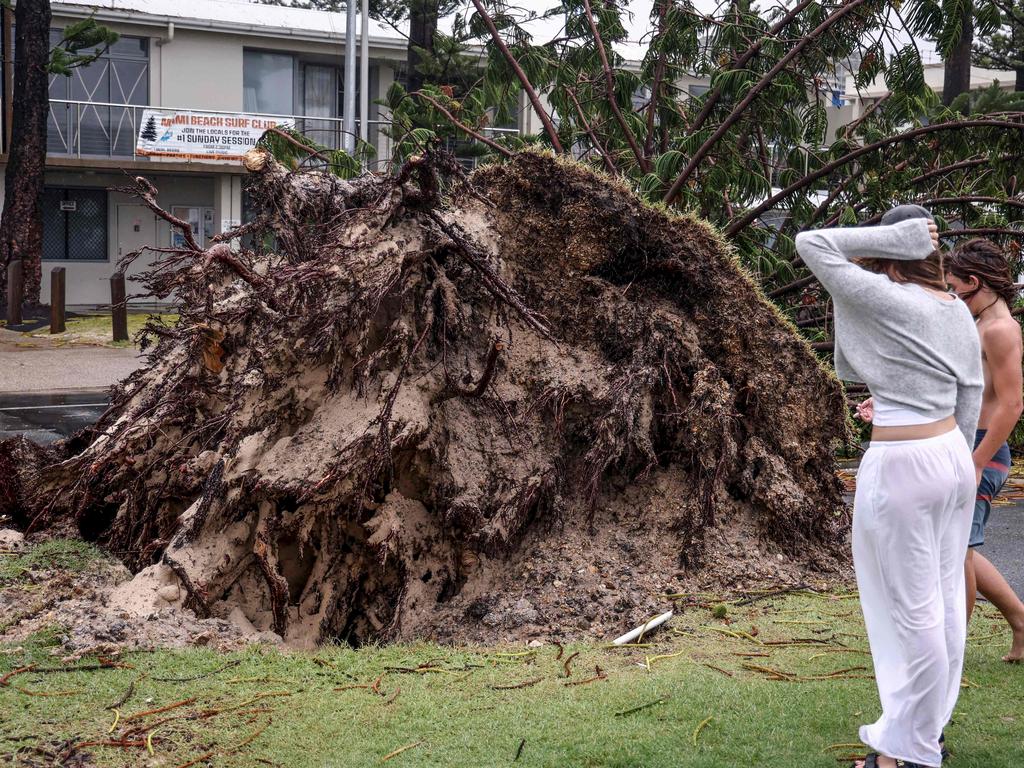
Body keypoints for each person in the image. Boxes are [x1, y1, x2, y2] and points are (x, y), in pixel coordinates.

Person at [796, 204, 983, 768]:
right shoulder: (953, 308)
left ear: (893, 250)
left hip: (904, 462)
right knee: (944, 602)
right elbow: (969, 392)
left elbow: (813, 242)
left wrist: (895, 237)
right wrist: (956, 461)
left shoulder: (888, 298)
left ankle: (909, 749)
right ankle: (926, 731)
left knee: (911, 608)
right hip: (951, 451)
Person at [945, 238, 1024, 663]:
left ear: (975, 283)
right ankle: (1021, 622)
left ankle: (949, 652)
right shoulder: (979, 324)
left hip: (983, 450)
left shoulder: (999, 329)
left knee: (958, 551)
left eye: (956, 290)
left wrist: (976, 462)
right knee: (959, 547)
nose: (953, 298)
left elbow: (1013, 404)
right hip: (964, 444)